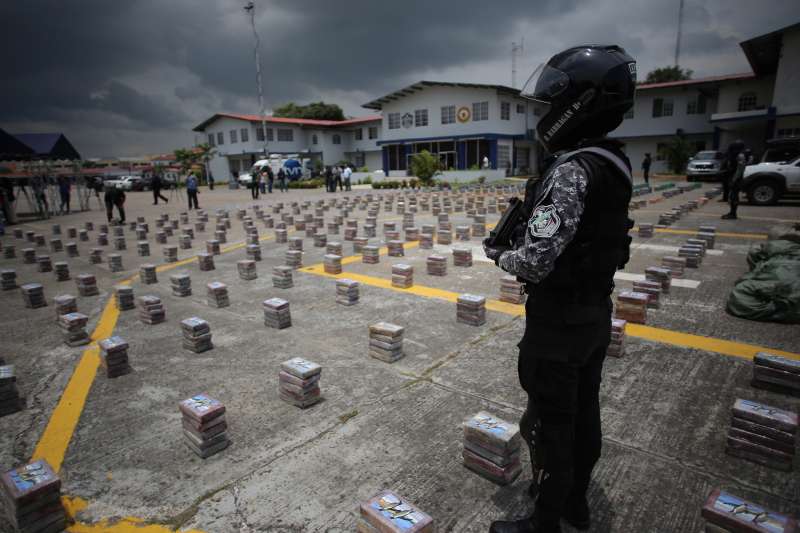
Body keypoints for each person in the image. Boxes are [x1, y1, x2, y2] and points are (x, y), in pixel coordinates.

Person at [484, 44, 637, 533]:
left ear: (579, 104)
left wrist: (497, 254)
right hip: (594, 313)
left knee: (552, 422)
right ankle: (575, 504)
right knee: (585, 413)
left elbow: (535, 261)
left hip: (558, 324)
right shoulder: (614, 163)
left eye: (554, 101)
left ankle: (545, 520)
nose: (547, 112)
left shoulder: (572, 169)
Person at [722, 147, 749, 220]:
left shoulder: (740, 156)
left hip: (736, 179)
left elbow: (740, 169)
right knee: (732, 196)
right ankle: (732, 213)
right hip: (733, 178)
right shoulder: (734, 155)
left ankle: (733, 214)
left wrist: (734, 180)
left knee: (734, 196)